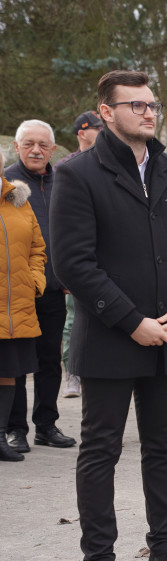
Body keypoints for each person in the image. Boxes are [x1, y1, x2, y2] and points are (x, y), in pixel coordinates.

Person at [50, 70, 167, 561]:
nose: (148, 112)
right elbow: (73, 263)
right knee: (101, 450)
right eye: (135, 105)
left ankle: (165, 550)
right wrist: (131, 321)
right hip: (110, 338)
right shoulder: (78, 174)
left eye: (152, 104)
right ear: (107, 111)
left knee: (164, 448)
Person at [3, 119, 76, 454]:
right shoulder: (7, 184)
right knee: (16, 364)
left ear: (52, 149)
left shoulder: (65, 182)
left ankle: (46, 425)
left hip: (54, 288)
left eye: (43, 145)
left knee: (49, 359)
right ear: (16, 147)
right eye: (29, 144)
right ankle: (15, 429)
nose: (36, 150)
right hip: (15, 291)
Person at [0, 148, 46, 463]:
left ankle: (1, 436)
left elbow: (37, 248)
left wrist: (34, 281)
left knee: (7, 372)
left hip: (15, 305)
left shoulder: (18, 200)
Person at [57, 111, 105, 401]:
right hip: (78, 259)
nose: (102, 131)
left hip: (104, 259)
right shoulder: (67, 167)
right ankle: (72, 373)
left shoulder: (109, 164)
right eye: (97, 128)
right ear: (82, 133)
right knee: (73, 318)